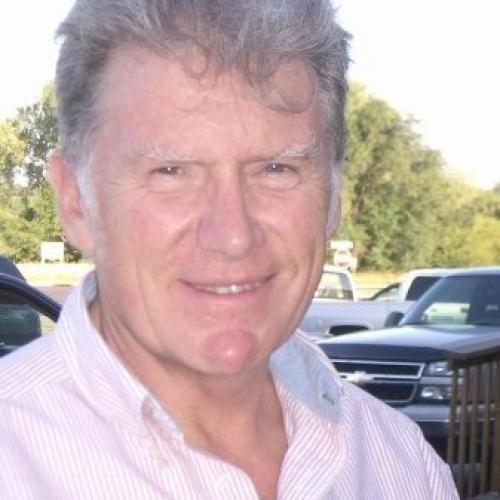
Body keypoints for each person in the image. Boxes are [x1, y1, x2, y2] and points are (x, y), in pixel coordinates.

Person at [0, 1, 458, 498]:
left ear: (333, 196)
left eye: (276, 169)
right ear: (75, 200)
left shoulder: (400, 463)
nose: (233, 235)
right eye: (170, 171)